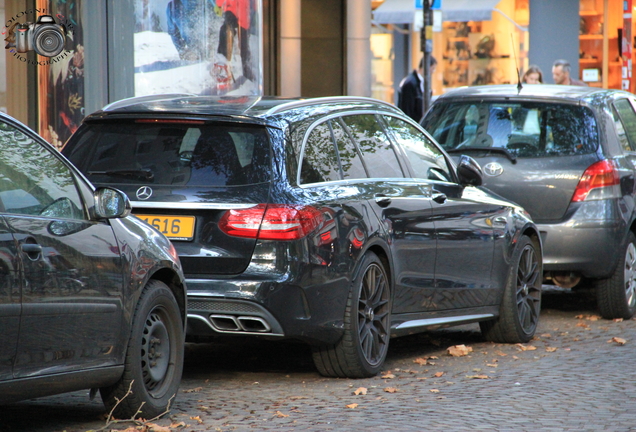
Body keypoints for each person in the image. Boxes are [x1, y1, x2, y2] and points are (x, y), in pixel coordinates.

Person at [397, 56, 436, 122]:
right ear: (426, 67)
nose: (433, 71)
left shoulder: (421, 83)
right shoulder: (411, 83)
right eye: (433, 68)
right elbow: (407, 109)